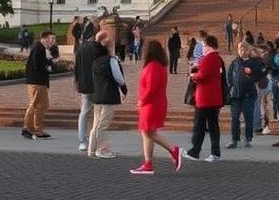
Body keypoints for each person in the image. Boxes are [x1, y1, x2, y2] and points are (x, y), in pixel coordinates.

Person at [131, 40, 182, 176]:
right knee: (147, 132)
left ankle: (173, 150)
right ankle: (148, 163)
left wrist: (142, 101)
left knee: (149, 132)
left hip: (151, 104)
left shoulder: (153, 66)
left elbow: (151, 88)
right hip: (155, 103)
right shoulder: (160, 66)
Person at [185, 34, 225, 162]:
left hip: (205, 98)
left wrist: (193, 75)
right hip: (214, 98)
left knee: (199, 126)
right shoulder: (217, 58)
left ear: (208, 45)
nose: (202, 48)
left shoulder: (209, 58)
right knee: (213, 126)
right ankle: (215, 152)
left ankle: (195, 151)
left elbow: (203, 75)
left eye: (203, 45)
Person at [89, 30, 127, 159]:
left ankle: (92, 149)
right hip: (108, 94)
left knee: (96, 124)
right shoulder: (110, 60)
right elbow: (119, 78)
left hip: (97, 95)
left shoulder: (95, 61)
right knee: (103, 125)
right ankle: (102, 149)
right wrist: (124, 88)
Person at [226, 41, 264, 149]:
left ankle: (248, 138)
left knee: (248, 117)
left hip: (249, 95)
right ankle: (234, 139)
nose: (241, 51)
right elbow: (229, 77)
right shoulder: (235, 62)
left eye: (243, 49)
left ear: (248, 50)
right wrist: (231, 88)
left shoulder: (254, 63)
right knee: (234, 118)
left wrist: (251, 73)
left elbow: (259, 76)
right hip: (236, 95)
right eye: (239, 49)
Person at [22, 30, 58, 140]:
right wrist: (49, 67)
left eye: (54, 39)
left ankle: (37, 129)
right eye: (52, 39)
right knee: (34, 105)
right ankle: (27, 129)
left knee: (42, 106)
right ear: (45, 38)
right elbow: (38, 65)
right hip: (36, 82)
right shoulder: (38, 47)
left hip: (40, 82)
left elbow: (42, 62)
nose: (53, 41)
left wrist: (50, 63)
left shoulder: (42, 48)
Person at [74, 30, 105, 151]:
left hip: (84, 84)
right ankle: (95, 140)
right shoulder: (99, 48)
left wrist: (77, 82)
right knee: (98, 113)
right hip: (97, 85)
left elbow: (76, 67)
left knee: (84, 112)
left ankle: (82, 141)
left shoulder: (81, 49)